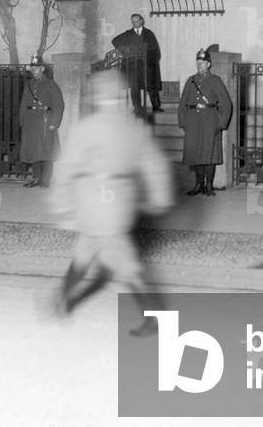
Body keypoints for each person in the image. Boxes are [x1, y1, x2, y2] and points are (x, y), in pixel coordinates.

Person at [49, 69, 173, 336]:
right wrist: (160, 198)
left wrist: (60, 202)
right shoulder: (133, 127)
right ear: (120, 95)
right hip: (121, 202)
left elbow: (66, 167)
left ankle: (157, 319)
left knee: (124, 263)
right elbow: (155, 164)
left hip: (95, 202)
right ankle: (61, 300)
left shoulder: (88, 127)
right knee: (84, 250)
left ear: (96, 96)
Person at [178, 48, 233, 196]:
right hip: (193, 122)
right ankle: (198, 184)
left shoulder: (215, 80)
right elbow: (183, 102)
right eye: (198, 61)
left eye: (203, 62)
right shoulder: (191, 80)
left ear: (209, 64)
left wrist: (221, 124)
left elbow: (226, 104)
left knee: (209, 154)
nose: (200, 64)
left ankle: (209, 186)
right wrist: (183, 122)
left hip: (210, 121)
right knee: (196, 155)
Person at [19, 53, 64, 188]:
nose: (34, 70)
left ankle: (45, 180)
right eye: (32, 68)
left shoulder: (51, 85)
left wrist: (54, 124)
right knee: (33, 151)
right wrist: (22, 121)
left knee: (46, 151)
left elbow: (59, 105)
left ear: (42, 69)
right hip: (31, 122)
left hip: (45, 121)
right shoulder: (29, 85)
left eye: (37, 68)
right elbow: (23, 103)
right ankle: (36, 178)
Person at [112, 13, 162, 113]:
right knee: (135, 86)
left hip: (146, 65)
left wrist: (152, 61)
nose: (135, 23)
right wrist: (125, 52)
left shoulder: (149, 33)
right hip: (133, 65)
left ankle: (156, 107)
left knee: (151, 85)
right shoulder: (128, 34)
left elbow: (155, 49)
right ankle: (137, 107)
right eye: (133, 22)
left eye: (137, 21)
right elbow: (115, 41)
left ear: (142, 21)